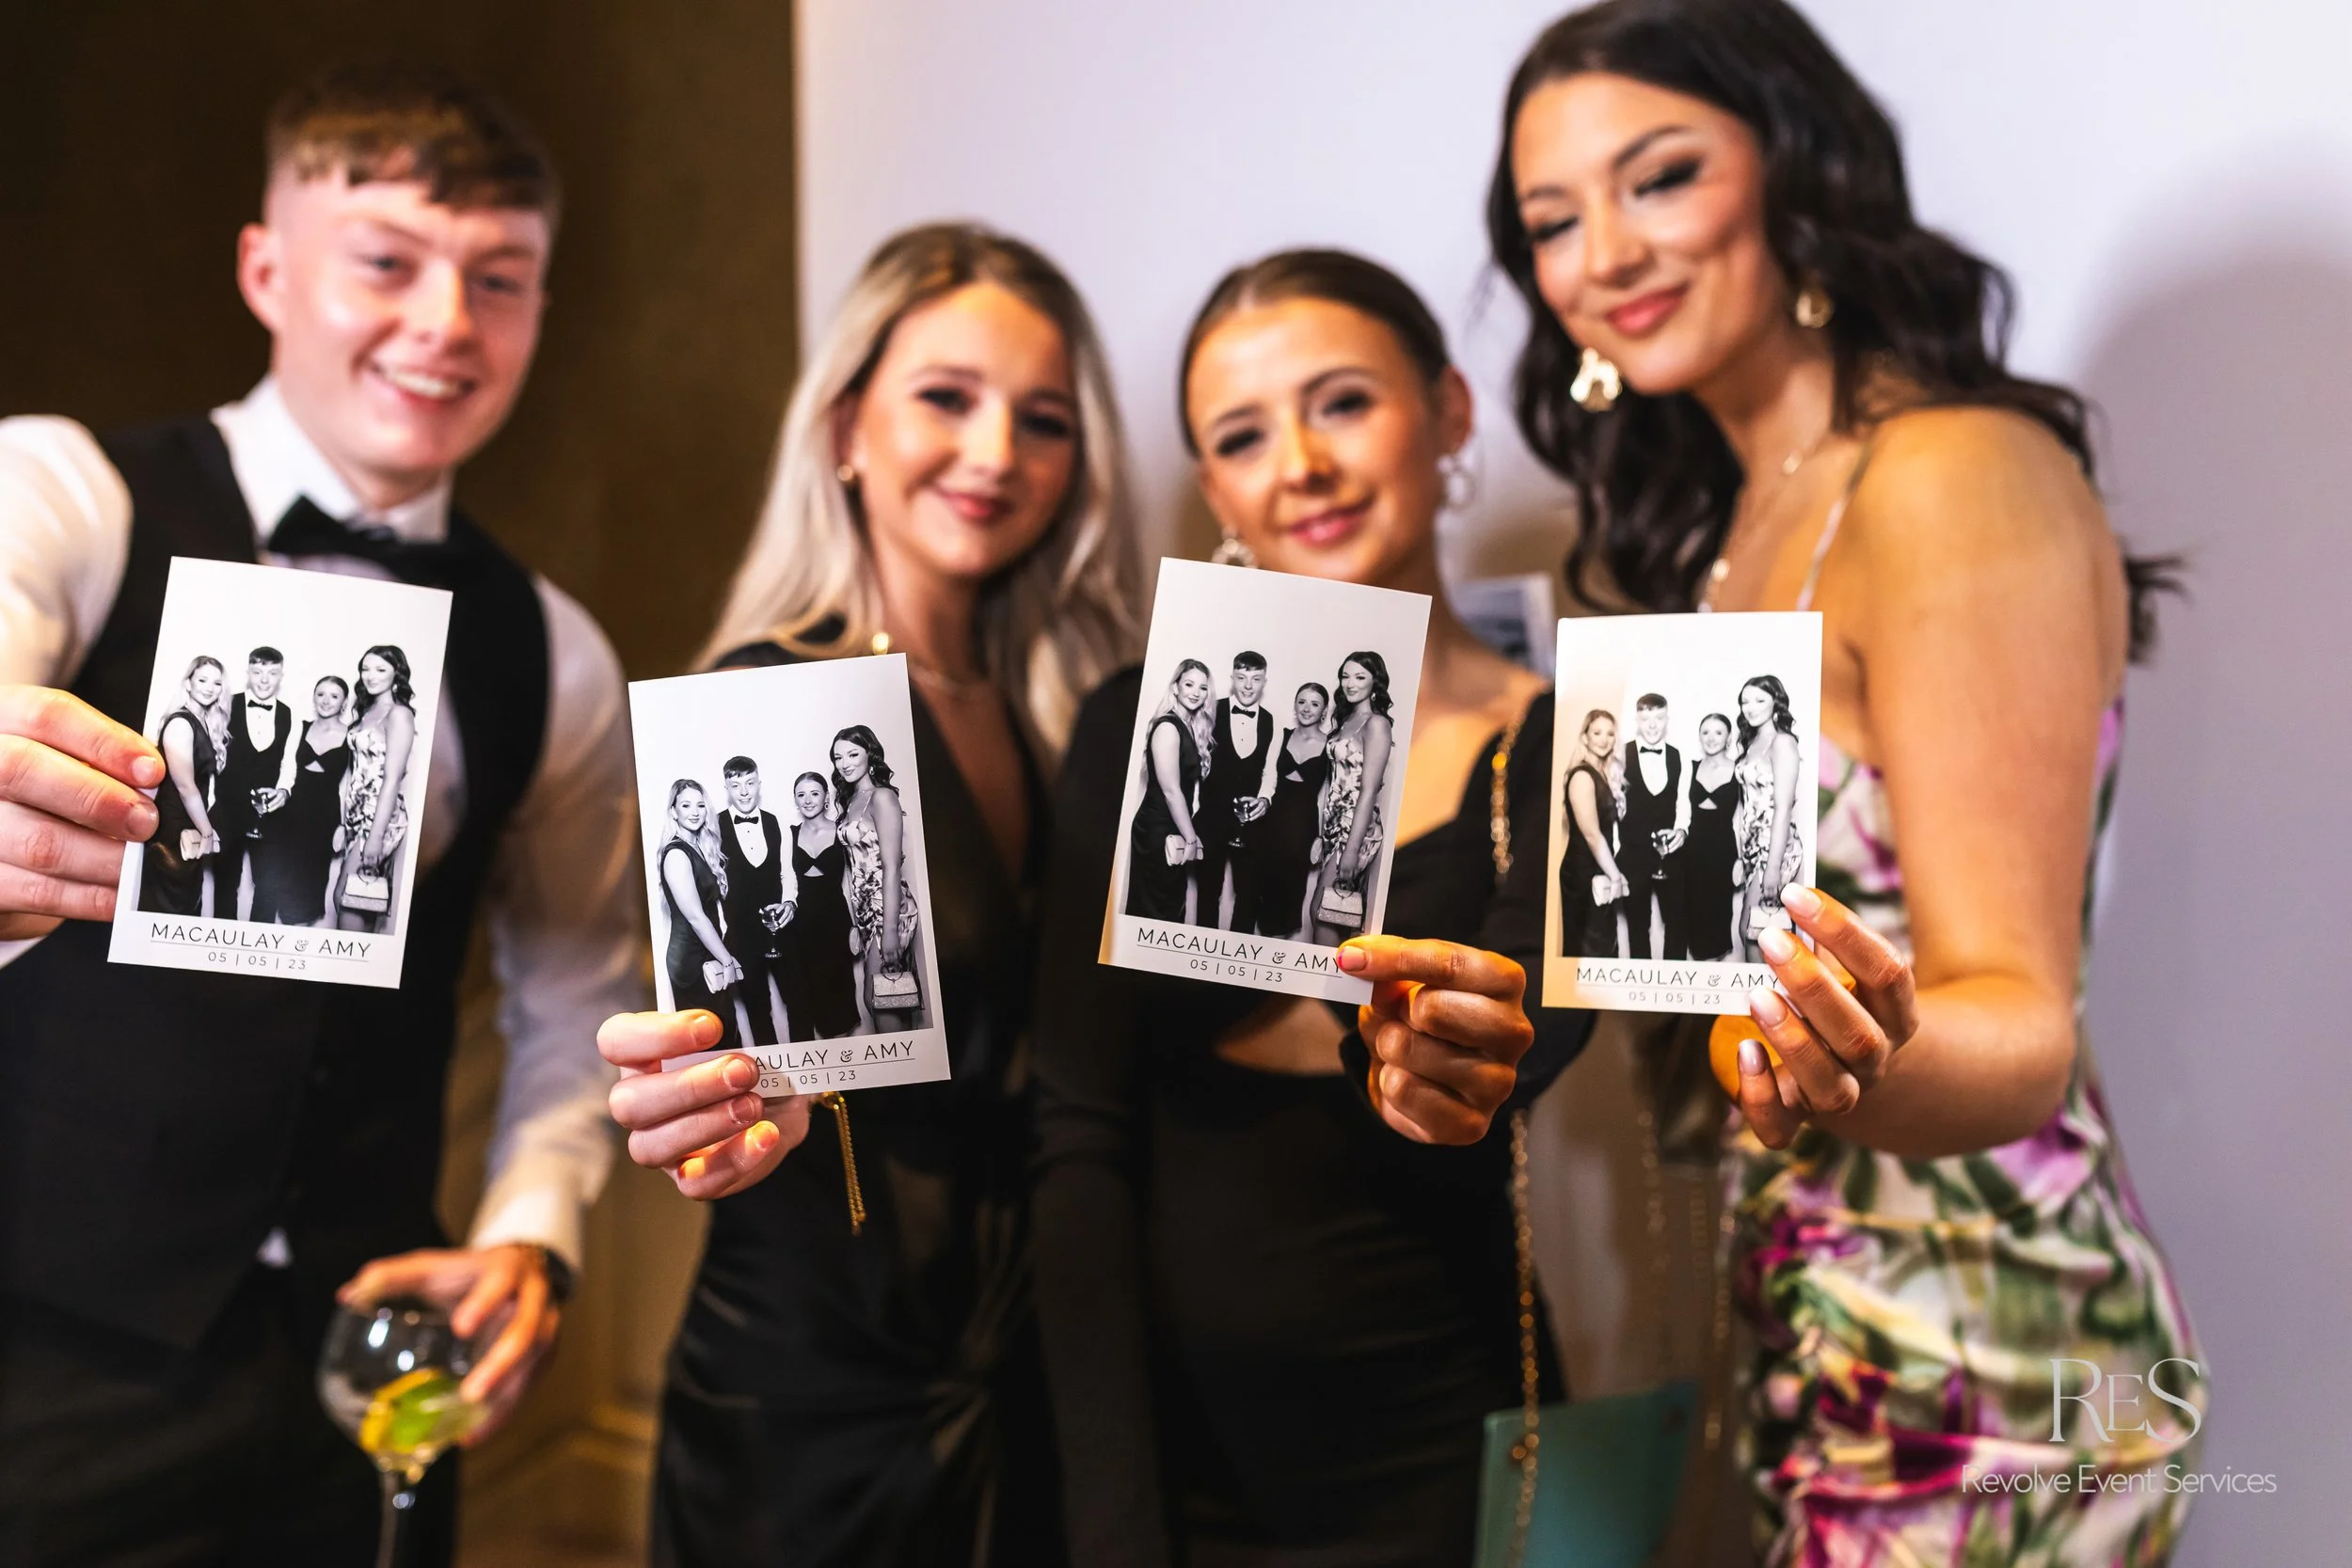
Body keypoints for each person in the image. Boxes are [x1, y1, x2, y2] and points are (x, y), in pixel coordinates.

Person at [1488, 2, 2203, 1560]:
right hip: (1821, 1339)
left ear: (1793, 168)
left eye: (1658, 176)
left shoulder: (1951, 472)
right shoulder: (1732, 530)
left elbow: (2019, 1026)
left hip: (1995, 1360)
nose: (1604, 251)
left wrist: (1837, 1062)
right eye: (1553, 218)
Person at [0, 67, 641, 1566]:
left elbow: (575, 989)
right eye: (386, 262)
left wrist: (532, 1229)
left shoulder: (555, 648)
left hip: (367, 1364)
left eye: (501, 279)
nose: (445, 324)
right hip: (45, 1343)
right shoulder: (70, 494)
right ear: (266, 270)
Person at [1034, 248, 1593, 1566]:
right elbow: (1077, 1133)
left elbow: (1531, 1030)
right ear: (1214, 485)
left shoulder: (1571, 738)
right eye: (1243, 434)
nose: (1301, 461)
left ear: (1449, 412)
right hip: (1182, 1455)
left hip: (1448, 1441)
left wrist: (1463, 1041)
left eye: (1342, 402)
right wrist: (1115, 1518)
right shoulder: (1136, 729)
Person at [595, 222, 1142, 1568]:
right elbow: (739, 1034)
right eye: (946, 398)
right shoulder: (766, 705)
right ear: (846, 426)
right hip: (814, 1399)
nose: (996, 452)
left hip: (1016, 1368)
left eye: (1045, 419)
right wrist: (715, 1097)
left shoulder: (1061, 716)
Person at [831, 724, 924, 1032]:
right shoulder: (850, 801)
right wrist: (855, 922)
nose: (844, 763)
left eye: (852, 754)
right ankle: (908, 1074)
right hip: (867, 914)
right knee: (879, 998)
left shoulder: (881, 797)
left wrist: (890, 931)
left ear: (869, 755)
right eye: (837, 757)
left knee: (884, 1000)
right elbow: (853, 867)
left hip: (889, 910)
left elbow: (892, 866)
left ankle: (906, 1076)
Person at [1308, 650, 1394, 945]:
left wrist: (1351, 850)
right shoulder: (1346, 720)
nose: (1350, 683)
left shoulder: (1377, 724)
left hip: (1355, 827)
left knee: (1328, 913)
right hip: (1333, 826)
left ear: (1375, 682)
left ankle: (1323, 989)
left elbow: (1369, 789)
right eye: (1345, 676)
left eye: (1360, 677)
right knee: (1323, 909)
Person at [255, 673, 352, 926]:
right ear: (313, 698)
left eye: (334, 696)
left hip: (324, 819)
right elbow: (285, 768)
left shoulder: (353, 736)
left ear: (344, 702)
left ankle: (297, 942)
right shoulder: (300, 727)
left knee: (310, 881)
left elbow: (353, 785)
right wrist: (276, 794)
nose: (326, 701)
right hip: (290, 813)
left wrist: (344, 825)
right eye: (320, 694)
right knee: (276, 880)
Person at [332, 643, 416, 934]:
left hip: (378, 817)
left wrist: (376, 837)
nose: (371, 675)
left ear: (397, 673)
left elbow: (393, 778)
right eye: (365, 668)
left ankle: (349, 976)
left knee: (354, 900)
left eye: (381, 669)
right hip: (357, 816)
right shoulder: (368, 710)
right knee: (351, 898)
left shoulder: (400, 715)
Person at [138, 655, 229, 915]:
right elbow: (185, 786)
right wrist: (208, 833)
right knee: (170, 908)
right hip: (174, 827)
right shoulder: (180, 723)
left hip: (190, 823)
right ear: (188, 683)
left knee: (187, 906)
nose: (209, 687)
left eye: (217, 683)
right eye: (202, 680)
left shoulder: (202, 722)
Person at [209, 646, 295, 920]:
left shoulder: (288, 713)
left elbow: (288, 761)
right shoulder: (224, 706)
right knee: (225, 885)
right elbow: (210, 756)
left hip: (269, 815)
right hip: (227, 810)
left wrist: (284, 789)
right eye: (257, 672)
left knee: (269, 888)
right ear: (248, 673)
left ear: (281, 675)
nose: (264, 680)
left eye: (272, 673)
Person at [661, 780, 747, 1054]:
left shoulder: (699, 846)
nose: (694, 812)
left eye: (700, 805)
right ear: (673, 811)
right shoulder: (676, 854)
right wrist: (727, 960)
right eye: (686, 805)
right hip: (690, 960)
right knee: (711, 1040)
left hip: (706, 953)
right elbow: (696, 917)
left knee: (725, 1035)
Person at [1123, 657, 1213, 922]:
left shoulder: (1187, 726)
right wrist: (1192, 838)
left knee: (1169, 910)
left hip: (1172, 827)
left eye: (1203, 687)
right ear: (1175, 687)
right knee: (1155, 914)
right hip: (1157, 828)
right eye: (1189, 684)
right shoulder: (1167, 727)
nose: (1196, 692)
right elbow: (1171, 790)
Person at [716, 755, 795, 1044]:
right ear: (726, 787)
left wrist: (789, 903)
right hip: (741, 936)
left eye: (750, 783)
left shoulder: (777, 823)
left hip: (781, 931)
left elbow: (787, 873)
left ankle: (811, 1073)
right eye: (736, 785)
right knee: (758, 1009)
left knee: (798, 1000)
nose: (744, 791)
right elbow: (712, 884)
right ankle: (776, 1082)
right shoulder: (713, 827)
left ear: (759, 783)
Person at [777, 769, 861, 1040]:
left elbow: (856, 880)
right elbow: (783, 879)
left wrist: (857, 924)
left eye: (814, 793)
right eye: (801, 795)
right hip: (800, 931)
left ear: (826, 797)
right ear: (795, 800)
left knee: (837, 1002)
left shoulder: (843, 829)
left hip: (835, 925)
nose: (808, 800)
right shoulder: (788, 835)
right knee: (803, 1002)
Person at [1196, 650, 1275, 930]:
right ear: (1232, 678)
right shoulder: (1209, 710)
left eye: (1255, 679)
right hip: (1211, 818)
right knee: (1208, 892)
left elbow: (1269, 769)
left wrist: (1265, 799)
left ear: (1265, 681)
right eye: (1242, 678)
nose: (1248, 686)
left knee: (1249, 894)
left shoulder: (1268, 720)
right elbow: (1195, 763)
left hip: (1249, 822)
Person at [1731, 674, 1804, 961]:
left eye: (1760, 700)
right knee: (1754, 931)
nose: (1751, 707)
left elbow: (1784, 807)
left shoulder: (1782, 743)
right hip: (1752, 849)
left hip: (1775, 848)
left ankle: (1765, 1003)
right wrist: (1740, 857)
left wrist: (1772, 868)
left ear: (1776, 702)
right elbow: (1745, 805)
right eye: (1745, 701)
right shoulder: (1752, 742)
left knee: (1759, 934)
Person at [1615, 691, 1690, 958]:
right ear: (1637, 719)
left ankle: (1676, 987)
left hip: (1669, 854)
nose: (1652, 724)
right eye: (1645, 718)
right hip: (1632, 855)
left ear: (1667, 718)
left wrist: (1682, 829)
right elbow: (1611, 807)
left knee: (1678, 923)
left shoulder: (1678, 756)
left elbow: (1684, 802)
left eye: (1659, 717)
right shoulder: (1619, 755)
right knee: (1637, 926)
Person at [1257, 681, 1331, 940]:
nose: (1306, 709)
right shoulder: (1283, 735)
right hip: (1272, 823)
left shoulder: (1331, 745)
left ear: (1324, 711)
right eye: (1302, 702)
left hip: (1303, 827)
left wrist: (1322, 837)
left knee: (1292, 890)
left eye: (1314, 704)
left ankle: (1279, 951)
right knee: (1265, 886)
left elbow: (1331, 795)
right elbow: (1266, 776)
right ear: (1294, 705)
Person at [1558, 706, 1628, 958]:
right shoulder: (1582, 777)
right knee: (1588, 952)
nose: (1604, 739)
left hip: (1598, 870)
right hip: (1582, 874)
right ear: (1585, 736)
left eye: (1610, 734)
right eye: (1597, 732)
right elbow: (1592, 834)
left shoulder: (1602, 773)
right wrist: (1616, 876)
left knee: (1604, 948)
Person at [1685, 709, 1740, 961]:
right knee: (1694, 913)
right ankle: (1700, 972)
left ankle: (1715, 972)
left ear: (1728, 738)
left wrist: (1741, 859)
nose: (1711, 737)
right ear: (1699, 736)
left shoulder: (1739, 770)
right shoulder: (1691, 768)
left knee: (1718, 913)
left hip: (1723, 852)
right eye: (1705, 732)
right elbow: (1680, 812)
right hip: (1693, 852)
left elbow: (1744, 817)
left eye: (1718, 732)